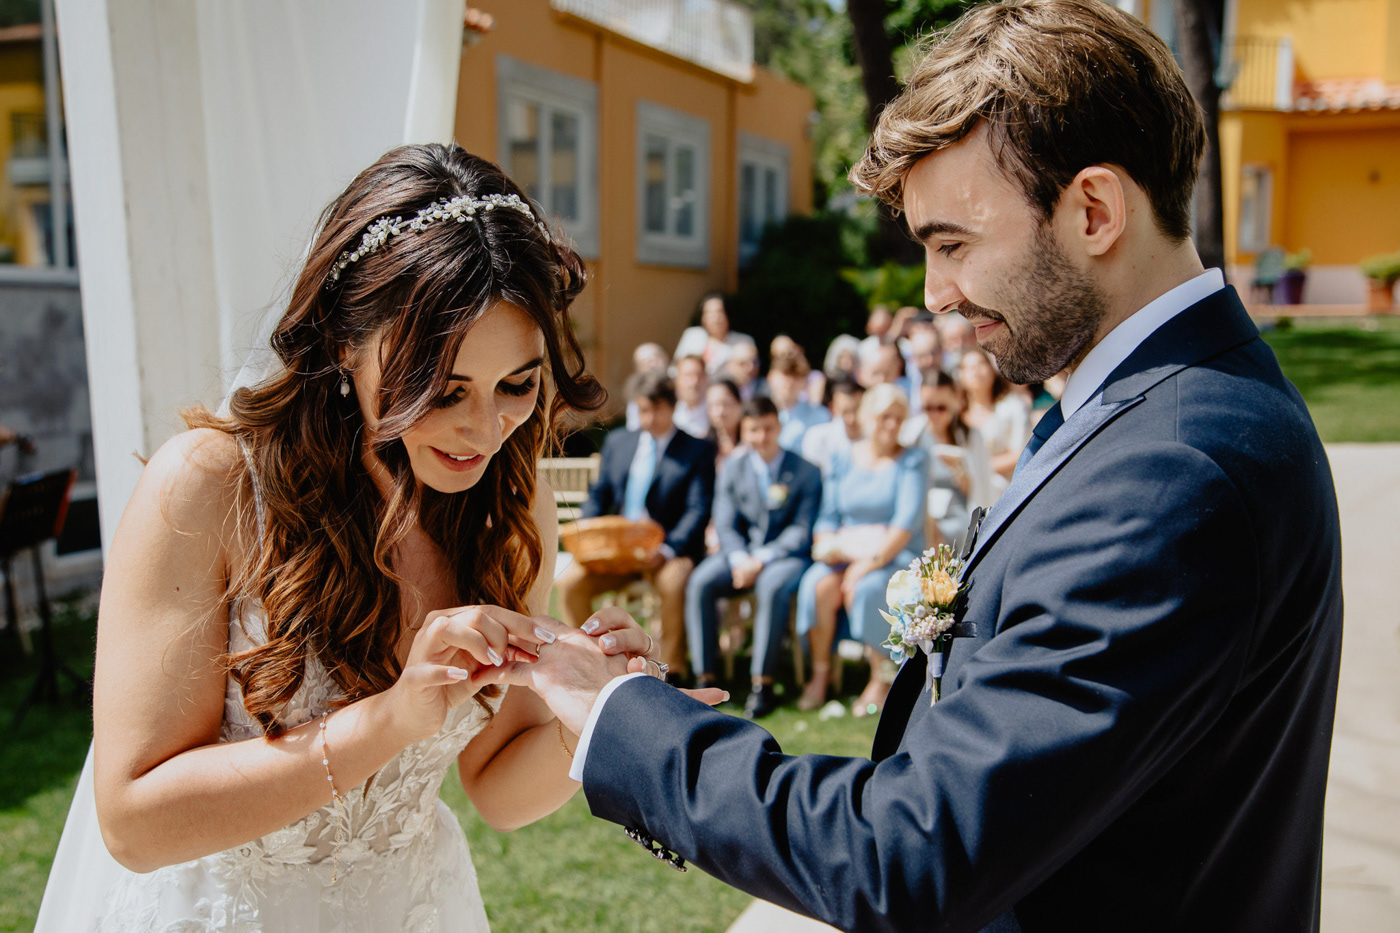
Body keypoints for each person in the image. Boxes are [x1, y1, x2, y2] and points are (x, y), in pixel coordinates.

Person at [504, 2, 1344, 930]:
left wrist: (621, 716)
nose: (938, 294)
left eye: (953, 244)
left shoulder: (1171, 471)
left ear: (1095, 210)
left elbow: (907, 854)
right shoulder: (1167, 406)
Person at [34, 145, 635, 931]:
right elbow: (133, 822)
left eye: (516, 385)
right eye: (442, 389)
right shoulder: (210, 488)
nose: (486, 429)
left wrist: (592, 715)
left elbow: (496, 785)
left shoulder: (512, 510)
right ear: (343, 344)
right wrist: (388, 721)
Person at [555, 370, 715, 681]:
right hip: (616, 551)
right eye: (642, 409)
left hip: (669, 551)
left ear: (672, 407)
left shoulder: (697, 450)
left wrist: (667, 550)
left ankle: (671, 669)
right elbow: (599, 494)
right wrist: (587, 531)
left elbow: (698, 510)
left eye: (656, 409)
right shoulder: (618, 442)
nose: (648, 417)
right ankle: (593, 662)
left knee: (673, 582)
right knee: (571, 583)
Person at [791, 383, 929, 716]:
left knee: (867, 588)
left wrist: (868, 564)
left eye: (898, 418)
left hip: (893, 555)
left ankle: (881, 677)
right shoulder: (843, 457)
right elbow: (828, 516)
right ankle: (821, 673)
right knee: (816, 585)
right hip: (847, 553)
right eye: (884, 417)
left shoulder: (913, 460)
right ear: (867, 417)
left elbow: (906, 523)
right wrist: (826, 545)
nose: (891, 425)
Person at [684, 397, 822, 718]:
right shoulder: (733, 467)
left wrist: (760, 559)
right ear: (744, 431)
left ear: (779, 426)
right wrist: (739, 559)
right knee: (700, 581)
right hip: (739, 555)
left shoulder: (806, 470)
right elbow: (725, 523)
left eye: (768, 428)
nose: (761, 437)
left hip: (787, 556)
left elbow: (802, 529)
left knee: (771, 586)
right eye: (754, 430)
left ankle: (762, 684)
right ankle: (705, 679)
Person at [900, 369, 992, 539]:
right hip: (921, 515)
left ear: (954, 401)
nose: (934, 415)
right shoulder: (912, 435)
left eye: (941, 408)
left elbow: (980, 491)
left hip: (958, 515)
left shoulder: (970, 437)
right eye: (928, 408)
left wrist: (957, 469)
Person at [959, 345, 1031, 492]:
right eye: (969, 367)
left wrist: (981, 468)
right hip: (967, 493)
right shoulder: (957, 415)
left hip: (1007, 489)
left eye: (981, 364)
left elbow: (1022, 453)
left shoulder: (1013, 407)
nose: (976, 371)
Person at [673, 292, 756, 377]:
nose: (715, 318)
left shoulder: (743, 341)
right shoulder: (693, 336)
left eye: (719, 312)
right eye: (709, 313)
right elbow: (676, 368)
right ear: (703, 318)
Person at [765, 353, 829, 453]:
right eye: (785, 374)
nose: (790, 381)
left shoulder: (820, 416)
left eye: (796, 376)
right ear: (771, 377)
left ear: (805, 381)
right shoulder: (758, 415)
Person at [800, 375, 863, 476]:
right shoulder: (816, 436)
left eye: (857, 410)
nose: (852, 418)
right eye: (845, 412)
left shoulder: (875, 438)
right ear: (833, 408)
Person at [624, 342, 670, 431]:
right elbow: (634, 428)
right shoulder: (635, 398)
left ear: (666, 358)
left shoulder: (681, 385)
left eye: (656, 357)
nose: (652, 364)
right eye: (645, 361)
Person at [671, 354, 711, 439]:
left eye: (699, 375)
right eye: (688, 375)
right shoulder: (669, 414)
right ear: (677, 379)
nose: (694, 382)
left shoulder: (717, 411)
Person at [704, 378, 744, 463]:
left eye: (726, 404)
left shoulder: (751, 444)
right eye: (715, 405)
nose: (720, 412)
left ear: (739, 405)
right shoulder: (701, 447)